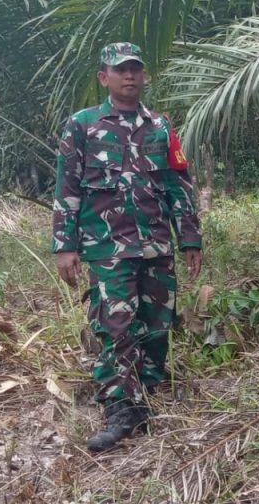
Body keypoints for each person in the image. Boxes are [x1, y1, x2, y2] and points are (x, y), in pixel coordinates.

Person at [52, 42, 203, 452]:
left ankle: (148, 392)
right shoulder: (82, 126)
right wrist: (64, 246)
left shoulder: (162, 127)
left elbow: (178, 185)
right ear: (104, 78)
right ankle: (120, 406)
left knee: (157, 323)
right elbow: (67, 188)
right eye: (121, 70)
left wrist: (190, 238)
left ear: (144, 76)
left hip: (156, 245)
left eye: (136, 68)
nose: (130, 76)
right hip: (107, 247)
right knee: (116, 325)